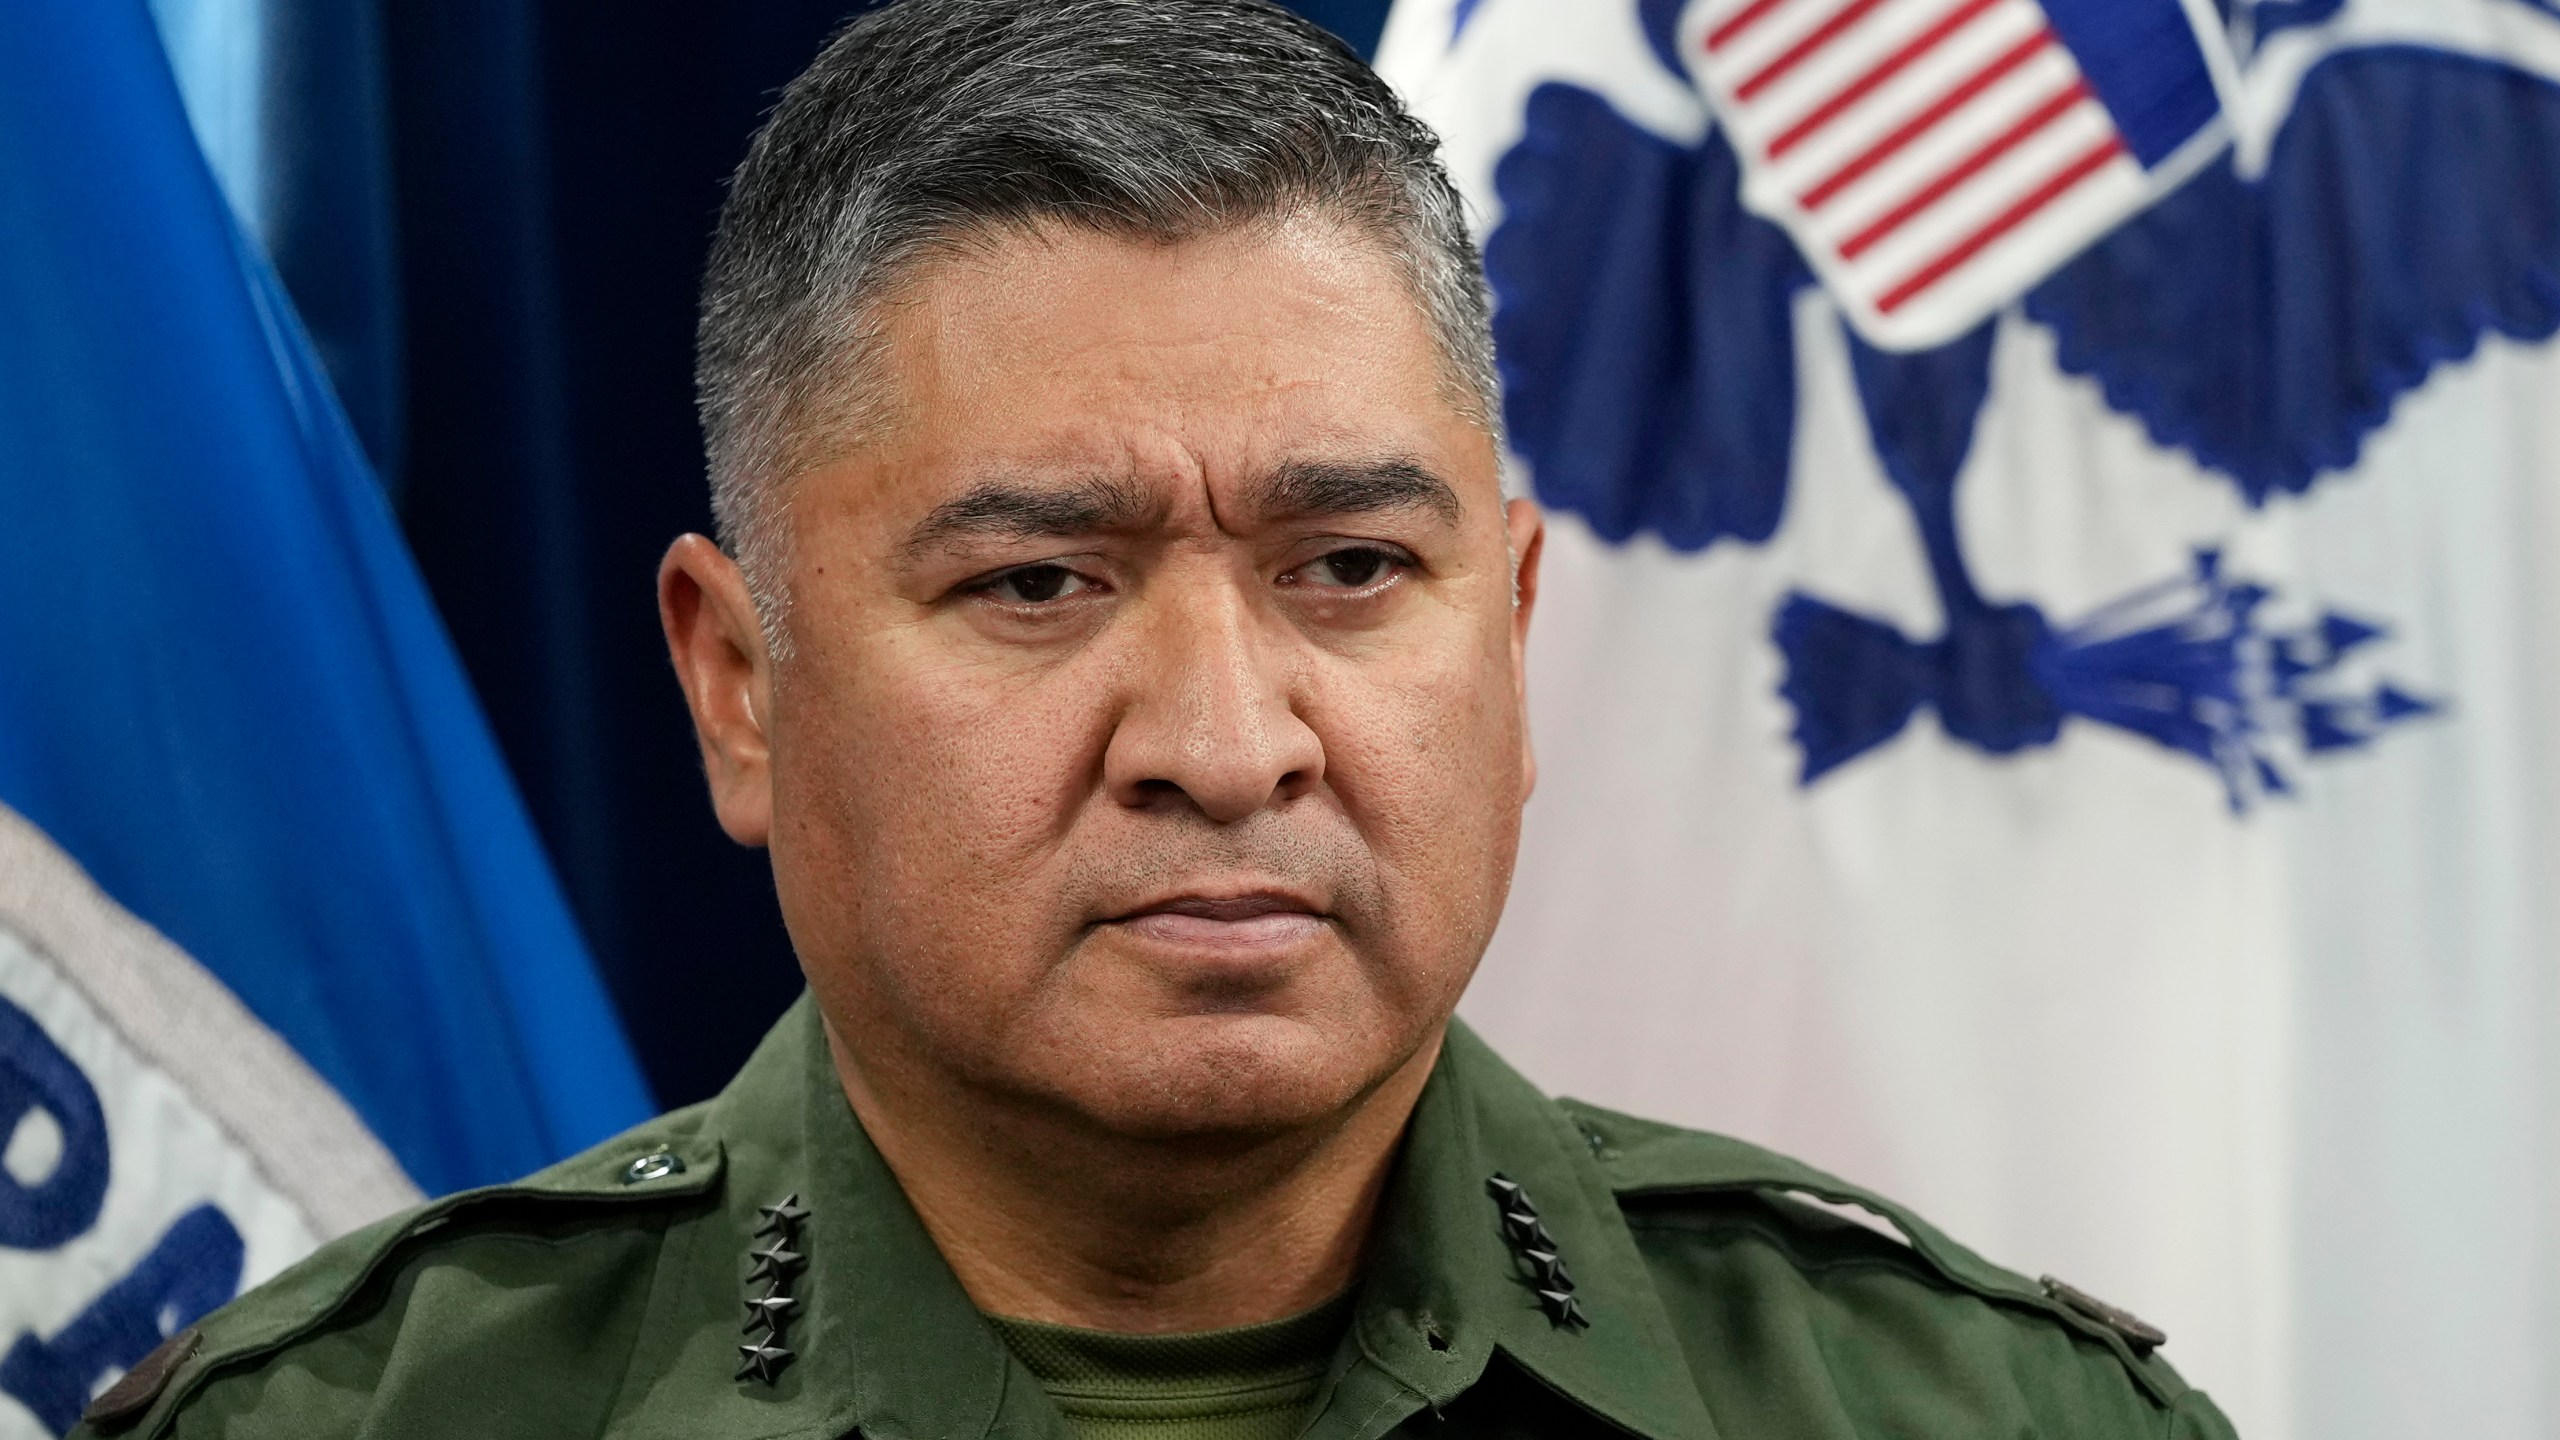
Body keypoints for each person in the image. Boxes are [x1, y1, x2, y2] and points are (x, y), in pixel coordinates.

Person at [72, 2, 2239, 1437]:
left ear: (1509, 631)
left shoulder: (1983, 1419)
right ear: (739, 687)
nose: (1223, 742)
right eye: (1038, 584)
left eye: (1349, 570)